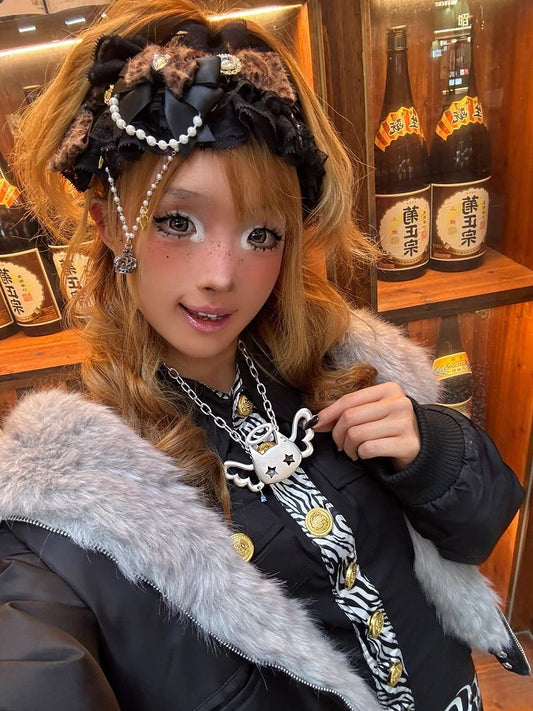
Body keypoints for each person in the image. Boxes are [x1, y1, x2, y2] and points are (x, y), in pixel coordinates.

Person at [0, 1, 529, 709]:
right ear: (108, 223)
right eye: (177, 222)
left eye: (261, 235)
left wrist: (429, 450)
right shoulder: (74, 497)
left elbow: (484, 523)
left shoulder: (342, 363)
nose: (222, 274)